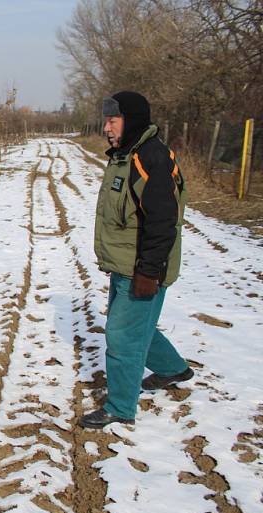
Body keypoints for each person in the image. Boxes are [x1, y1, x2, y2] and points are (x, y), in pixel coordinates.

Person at [79, 91, 193, 429]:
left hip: (141, 268)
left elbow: (162, 222)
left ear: (131, 120)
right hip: (126, 264)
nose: (106, 127)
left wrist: (148, 272)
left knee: (122, 337)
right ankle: (174, 369)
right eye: (106, 120)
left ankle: (120, 407)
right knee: (132, 327)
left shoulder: (151, 158)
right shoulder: (125, 156)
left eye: (112, 120)